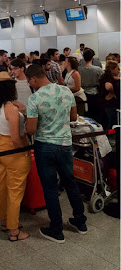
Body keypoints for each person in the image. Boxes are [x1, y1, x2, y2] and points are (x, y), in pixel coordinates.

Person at [25, 64, 87, 243]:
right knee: (70, 184)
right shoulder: (66, 91)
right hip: (65, 144)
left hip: (45, 147)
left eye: (30, 81)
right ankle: (80, 222)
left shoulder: (34, 99)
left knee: (50, 188)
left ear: (33, 79)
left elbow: (31, 129)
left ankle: (57, 229)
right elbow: (73, 117)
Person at [0, 72, 32, 241]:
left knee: (2, 186)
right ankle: (14, 231)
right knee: (15, 189)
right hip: (13, 148)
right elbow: (16, 137)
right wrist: (24, 151)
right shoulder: (11, 108)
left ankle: (5, 222)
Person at [79, 48, 104, 120]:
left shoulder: (79, 69)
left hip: (82, 93)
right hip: (94, 93)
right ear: (92, 57)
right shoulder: (97, 69)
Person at [98, 61, 120, 130]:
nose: (119, 70)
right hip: (110, 104)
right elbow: (108, 87)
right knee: (112, 123)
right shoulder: (108, 80)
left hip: (105, 103)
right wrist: (112, 93)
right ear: (112, 70)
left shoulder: (104, 77)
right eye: (117, 68)